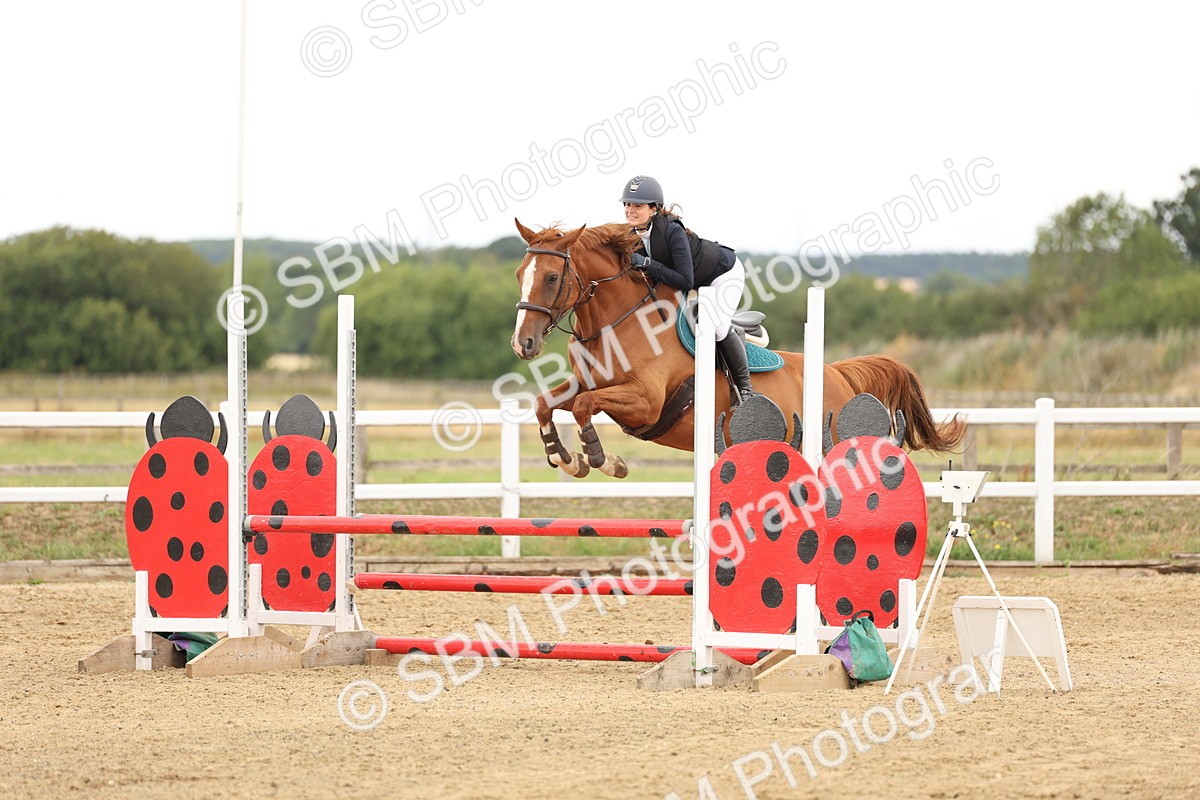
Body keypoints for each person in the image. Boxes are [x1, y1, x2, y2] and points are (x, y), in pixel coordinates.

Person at [620, 174, 754, 400]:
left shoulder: (672, 231)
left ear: (654, 208)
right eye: (627, 204)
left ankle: (746, 390)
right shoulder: (632, 234)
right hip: (698, 280)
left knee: (717, 324)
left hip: (724, 273)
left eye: (638, 206)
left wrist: (648, 264)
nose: (630, 210)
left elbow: (685, 281)